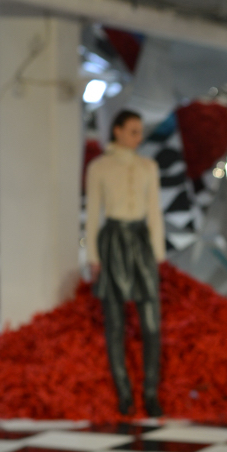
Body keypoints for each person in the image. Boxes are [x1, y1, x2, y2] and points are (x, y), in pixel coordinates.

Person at [86, 109, 165, 417]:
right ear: (117, 130)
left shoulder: (148, 166)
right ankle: (124, 393)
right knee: (115, 324)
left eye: (140, 131)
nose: (138, 137)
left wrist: (158, 255)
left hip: (141, 242)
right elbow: (93, 215)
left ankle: (150, 393)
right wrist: (93, 258)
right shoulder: (99, 167)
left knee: (151, 324)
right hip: (113, 241)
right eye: (133, 131)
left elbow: (155, 212)